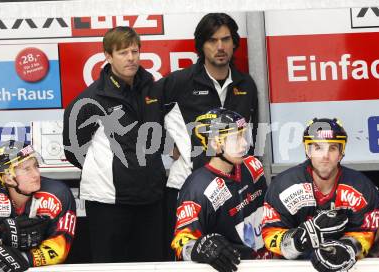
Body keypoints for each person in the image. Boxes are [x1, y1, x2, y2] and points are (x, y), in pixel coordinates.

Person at [158, 13, 260, 259]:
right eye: (212, 40)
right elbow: (145, 110)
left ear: (234, 42)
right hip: (187, 188)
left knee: (235, 258)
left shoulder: (246, 84)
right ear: (201, 45)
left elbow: (253, 133)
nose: (220, 47)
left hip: (233, 192)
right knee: (190, 257)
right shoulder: (180, 81)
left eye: (226, 39)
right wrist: (167, 145)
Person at [63, 26, 166, 262]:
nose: (131, 58)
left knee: (153, 267)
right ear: (108, 56)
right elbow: (73, 151)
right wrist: (113, 171)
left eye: (134, 51)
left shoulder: (155, 89)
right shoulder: (89, 100)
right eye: (122, 53)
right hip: (107, 201)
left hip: (150, 197)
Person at [261, 118, 379, 272]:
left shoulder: (362, 188)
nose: (325, 155)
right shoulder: (283, 186)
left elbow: (367, 233)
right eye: (318, 147)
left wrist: (347, 248)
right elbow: (269, 233)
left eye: (332, 148)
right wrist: (296, 240)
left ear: (341, 153)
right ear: (308, 151)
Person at [0, 140, 76, 272]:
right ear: (8, 178)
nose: (36, 174)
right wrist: (0, 248)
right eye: (27, 169)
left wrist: (22, 258)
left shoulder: (58, 194)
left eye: (36, 166)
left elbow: (61, 246)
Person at [171, 108, 269, 272]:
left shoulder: (253, 165)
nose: (245, 143)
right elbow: (181, 241)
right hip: (232, 267)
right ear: (215, 144)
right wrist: (200, 247)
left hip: (268, 263)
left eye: (243, 135)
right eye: (236, 138)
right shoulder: (197, 188)